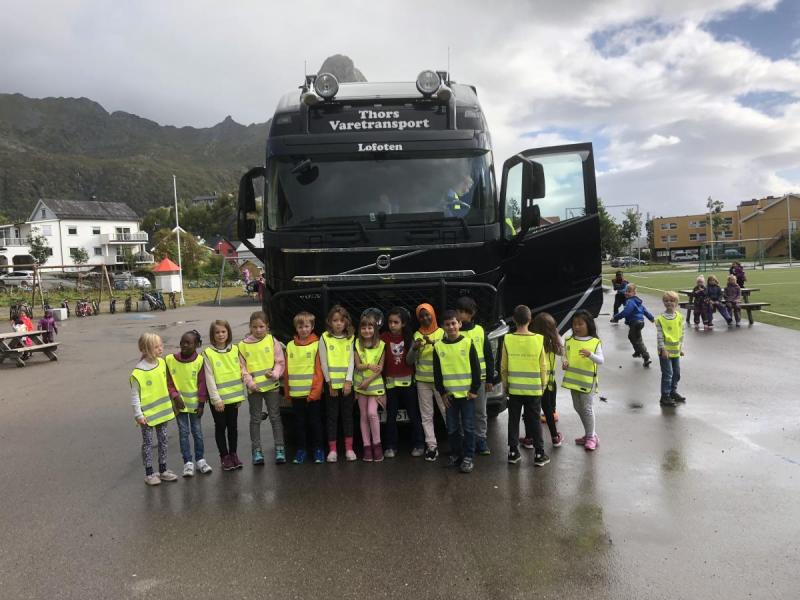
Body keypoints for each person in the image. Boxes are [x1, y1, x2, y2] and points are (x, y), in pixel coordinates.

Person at [433, 309, 482, 474]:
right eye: (447, 324)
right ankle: (456, 454)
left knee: (468, 427)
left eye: (454, 323)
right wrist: (442, 392)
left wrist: (474, 389)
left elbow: (476, 368)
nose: (451, 327)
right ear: (443, 327)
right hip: (450, 396)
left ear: (459, 324)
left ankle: (468, 457)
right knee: (452, 427)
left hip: (467, 395)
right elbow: (437, 372)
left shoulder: (467, 343)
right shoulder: (438, 347)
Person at [501, 305, 550, 467]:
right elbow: (543, 366)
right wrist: (543, 384)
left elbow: (503, 366)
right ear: (530, 320)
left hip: (514, 388)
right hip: (534, 389)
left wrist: (505, 385)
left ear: (514, 319)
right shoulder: (538, 339)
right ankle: (539, 453)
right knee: (534, 420)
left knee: (513, 419)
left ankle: (513, 452)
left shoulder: (508, 339)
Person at [130, 332, 178, 486]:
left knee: (163, 440)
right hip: (147, 416)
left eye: (161, 346)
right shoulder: (138, 372)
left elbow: (166, 385)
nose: (160, 349)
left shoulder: (162, 363)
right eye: (156, 347)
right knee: (148, 443)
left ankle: (163, 470)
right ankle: (149, 473)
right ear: (144, 349)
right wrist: (138, 414)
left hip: (162, 412)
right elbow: (135, 396)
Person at [239, 311, 286, 465]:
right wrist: (250, 383)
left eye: (261, 326)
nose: (258, 330)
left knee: (275, 417)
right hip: (254, 389)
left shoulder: (272, 341)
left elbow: (280, 361)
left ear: (267, 326)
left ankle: (280, 448)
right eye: (255, 327)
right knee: (255, 419)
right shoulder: (243, 345)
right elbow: (242, 368)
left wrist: (275, 374)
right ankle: (257, 450)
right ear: (250, 327)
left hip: (272, 386)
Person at [166, 330, 212, 477]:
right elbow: (168, 381)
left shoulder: (199, 361)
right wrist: (175, 396)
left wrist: (201, 404)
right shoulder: (170, 360)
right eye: (182, 342)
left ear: (197, 345)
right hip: (179, 407)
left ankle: (200, 460)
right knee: (184, 434)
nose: (184, 345)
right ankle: (188, 463)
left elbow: (202, 384)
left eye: (188, 343)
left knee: (197, 433)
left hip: (195, 407)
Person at [455, 297, 497, 456]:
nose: (458, 315)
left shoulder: (479, 330)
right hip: (460, 379)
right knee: (463, 413)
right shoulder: (454, 331)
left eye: (461, 312)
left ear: (470, 314)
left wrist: (490, 379)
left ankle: (481, 439)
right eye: (458, 311)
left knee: (480, 411)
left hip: (480, 379)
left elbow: (488, 355)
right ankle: (466, 439)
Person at [381, 306, 425, 458]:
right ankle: (391, 446)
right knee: (390, 416)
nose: (392, 325)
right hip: (390, 384)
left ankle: (419, 444)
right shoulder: (384, 338)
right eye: (390, 322)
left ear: (403, 323)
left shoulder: (409, 337)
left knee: (414, 414)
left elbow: (409, 361)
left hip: (407, 383)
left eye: (396, 322)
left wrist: (414, 349)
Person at [406, 303, 448, 462]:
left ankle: (456, 444)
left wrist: (433, 344)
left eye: (427, 314)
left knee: (446, 412)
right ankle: (431, 446)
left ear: (433, 314)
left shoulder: (442, 332)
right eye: (421, 316)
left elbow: (448, 353)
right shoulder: (416, 335)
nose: (425, 318)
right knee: (426, 415)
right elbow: (409, 361)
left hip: (440, 381)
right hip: (423, 381)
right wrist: (415, 348)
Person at [204, 320, 246, 471]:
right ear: (212, 335)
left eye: (223, 331)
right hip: (219, 400)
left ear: (228, 333)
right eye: (217, 332)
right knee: (221, 426)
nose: (221, 335)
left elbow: (241, 371)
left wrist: (239, 396)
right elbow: (209, 378)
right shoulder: (208, 354)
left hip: (233, 398)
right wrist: (216, 399)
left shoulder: (235, 350)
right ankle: (224, 456)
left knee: (233, 427)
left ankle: (234, 454)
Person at [284, 311, 324, 464]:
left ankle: (318, 449)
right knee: (299, 424)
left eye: (307, 326)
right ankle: (301, 450)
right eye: (300, 326)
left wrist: (315, 393)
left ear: (312, 327)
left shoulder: (317, 344)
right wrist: (287, 393)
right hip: (296, 395)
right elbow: (287, 372)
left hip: (312, 395)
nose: (304, 329)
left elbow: (319, 371)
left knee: (315, 423)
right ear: (296, 328)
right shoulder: (290, 346)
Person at [562, 310, 603, 451]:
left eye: (580, 324)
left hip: (587, 382)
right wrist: (565, 361)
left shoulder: (595, 342)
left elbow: (601, 360)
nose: (577, 327)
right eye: (574, 324)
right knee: (577, 407)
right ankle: (589, 434)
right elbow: (565, 354)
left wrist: (590, 355)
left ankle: (591, 437)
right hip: (574, 381)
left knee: (587, 409)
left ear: (588, 325)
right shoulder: (569, 340)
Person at [319, 305, 356, 462]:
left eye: (341, 320)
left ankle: (349, 449)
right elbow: (323, 362)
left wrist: (348, 380)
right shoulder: (325, 338)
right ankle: (333, 450)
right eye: (335, 320)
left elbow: (352, 361)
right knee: (332, 417)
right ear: (330, 322)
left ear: (346, 322)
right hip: (332, 386)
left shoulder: (352, 338)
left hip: (347, 385)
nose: (338, 323)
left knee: (347, 416)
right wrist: (329, 383)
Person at [354, 308, 387, 462]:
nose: (367, 331)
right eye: (364, 328)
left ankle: (377, 445)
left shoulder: (381, 345)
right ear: (360, 329)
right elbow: (357, 365)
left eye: (370, 327)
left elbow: (380, 368)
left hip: (373, 385)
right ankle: (367, 447)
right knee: (363, 416)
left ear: (375, 329)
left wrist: (368, 380)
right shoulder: (357, 344)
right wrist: (367, 366)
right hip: (360, 386)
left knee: (372, 414)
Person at [531, 311, 564, 447]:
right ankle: (555, 437)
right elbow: (562, 351)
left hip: (533, 383)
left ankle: (529, 438)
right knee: (548, 410)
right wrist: (555, 333)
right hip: (548, 384)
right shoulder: (553, 343)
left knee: (532, 411)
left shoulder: (533, 341)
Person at [611, 283, 655, 367]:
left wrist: (616, 317)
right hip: (640, 322)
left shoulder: (630, 302)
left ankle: (646, 357)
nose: (626, 293)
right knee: (634, 337)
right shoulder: (637, 302)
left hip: (635, 323)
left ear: (634, 293)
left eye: (629, 292)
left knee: (636, 339)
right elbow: (645, 311)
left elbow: (626, 312)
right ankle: (638, 352)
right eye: (626, 291)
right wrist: (651, 318)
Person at [655, 291, 686, 407]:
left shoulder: (679, 317)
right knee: (668, 374)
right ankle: (665, 396)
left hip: (676, 351)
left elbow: (681, 333)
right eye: (667, 301)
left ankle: (673, 392)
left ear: (676, 303)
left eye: (672, 301)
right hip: (665, 352)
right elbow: (659, 336)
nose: (669, 303)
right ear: (664, 302)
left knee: (676, 373)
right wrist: (663, 349)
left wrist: (680, 348)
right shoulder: (660, 319)